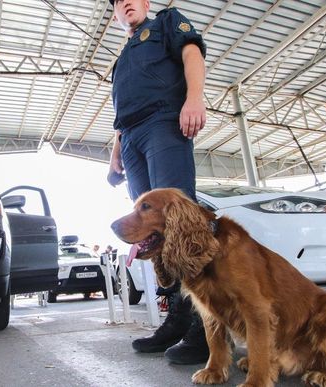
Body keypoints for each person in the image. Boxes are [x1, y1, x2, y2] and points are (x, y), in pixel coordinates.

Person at [107, 0, 208, 365]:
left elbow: (192, 53)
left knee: (182, 223)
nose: (125, 3)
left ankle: (205, 327)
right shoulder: (122, 60)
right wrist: (116, 153)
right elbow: (122, 113)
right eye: (117, 3)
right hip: (131, 137)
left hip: (163, 124)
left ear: (146, 3)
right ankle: (178, 319)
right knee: (153, 232)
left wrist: (194, 99)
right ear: (115, 14)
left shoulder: (166, 22)